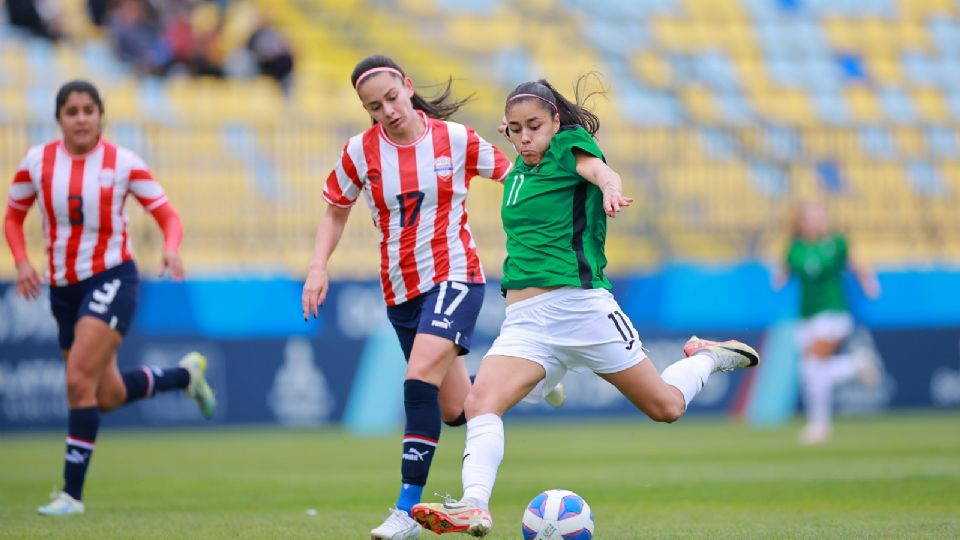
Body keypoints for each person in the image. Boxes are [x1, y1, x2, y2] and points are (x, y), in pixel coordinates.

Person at [409, 78, 761, 537]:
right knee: (479, 403)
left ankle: (709, 357)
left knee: (666, 407)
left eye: (535, 125)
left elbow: (598, 171)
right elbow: (520, 133)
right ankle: (474, 505)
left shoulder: (569, 145)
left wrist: (612, 187)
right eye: (515, 129)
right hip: (525, 323)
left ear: (557, 121)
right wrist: (517, 129)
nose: (526, 137)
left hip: (582, 310)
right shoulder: (520, 169)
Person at [300, 54, 566, 540]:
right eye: (374, 106)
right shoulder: (360, 152)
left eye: (392, 98)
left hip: (456, 276)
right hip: (400, 290)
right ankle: (538, 377)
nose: (388, 111)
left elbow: (516, 179)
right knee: (456, 411)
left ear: (408, 85)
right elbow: (335, 211)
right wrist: (318, 266)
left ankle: (406, 511)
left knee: (418, 375)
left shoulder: (456, 139)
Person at [3, 80, 217, 516]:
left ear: (101, 115)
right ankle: (184, 376)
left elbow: (167, 214)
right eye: (72, 111)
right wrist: (23, 261)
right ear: (59, 118)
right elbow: (13, 215)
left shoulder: (123, 162)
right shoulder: (36, 162)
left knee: (78, 379)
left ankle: (70, 495)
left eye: (88, 110)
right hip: (63, 290)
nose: (81, 118)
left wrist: (170, 246)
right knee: (105, 394)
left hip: (112, 278)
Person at [774, 201, 880, 445]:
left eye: (819, 216)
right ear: (801, 222)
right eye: (810, 217)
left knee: (812, 365)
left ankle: (819, 426)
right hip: (806, 316)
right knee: (812, 371)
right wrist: (779, 276)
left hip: (833, 312)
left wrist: (869, 283)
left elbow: (858, 266)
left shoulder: (837, 244)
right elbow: (783, 274)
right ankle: (855, 364)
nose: (816, 221)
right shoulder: (795, 248)